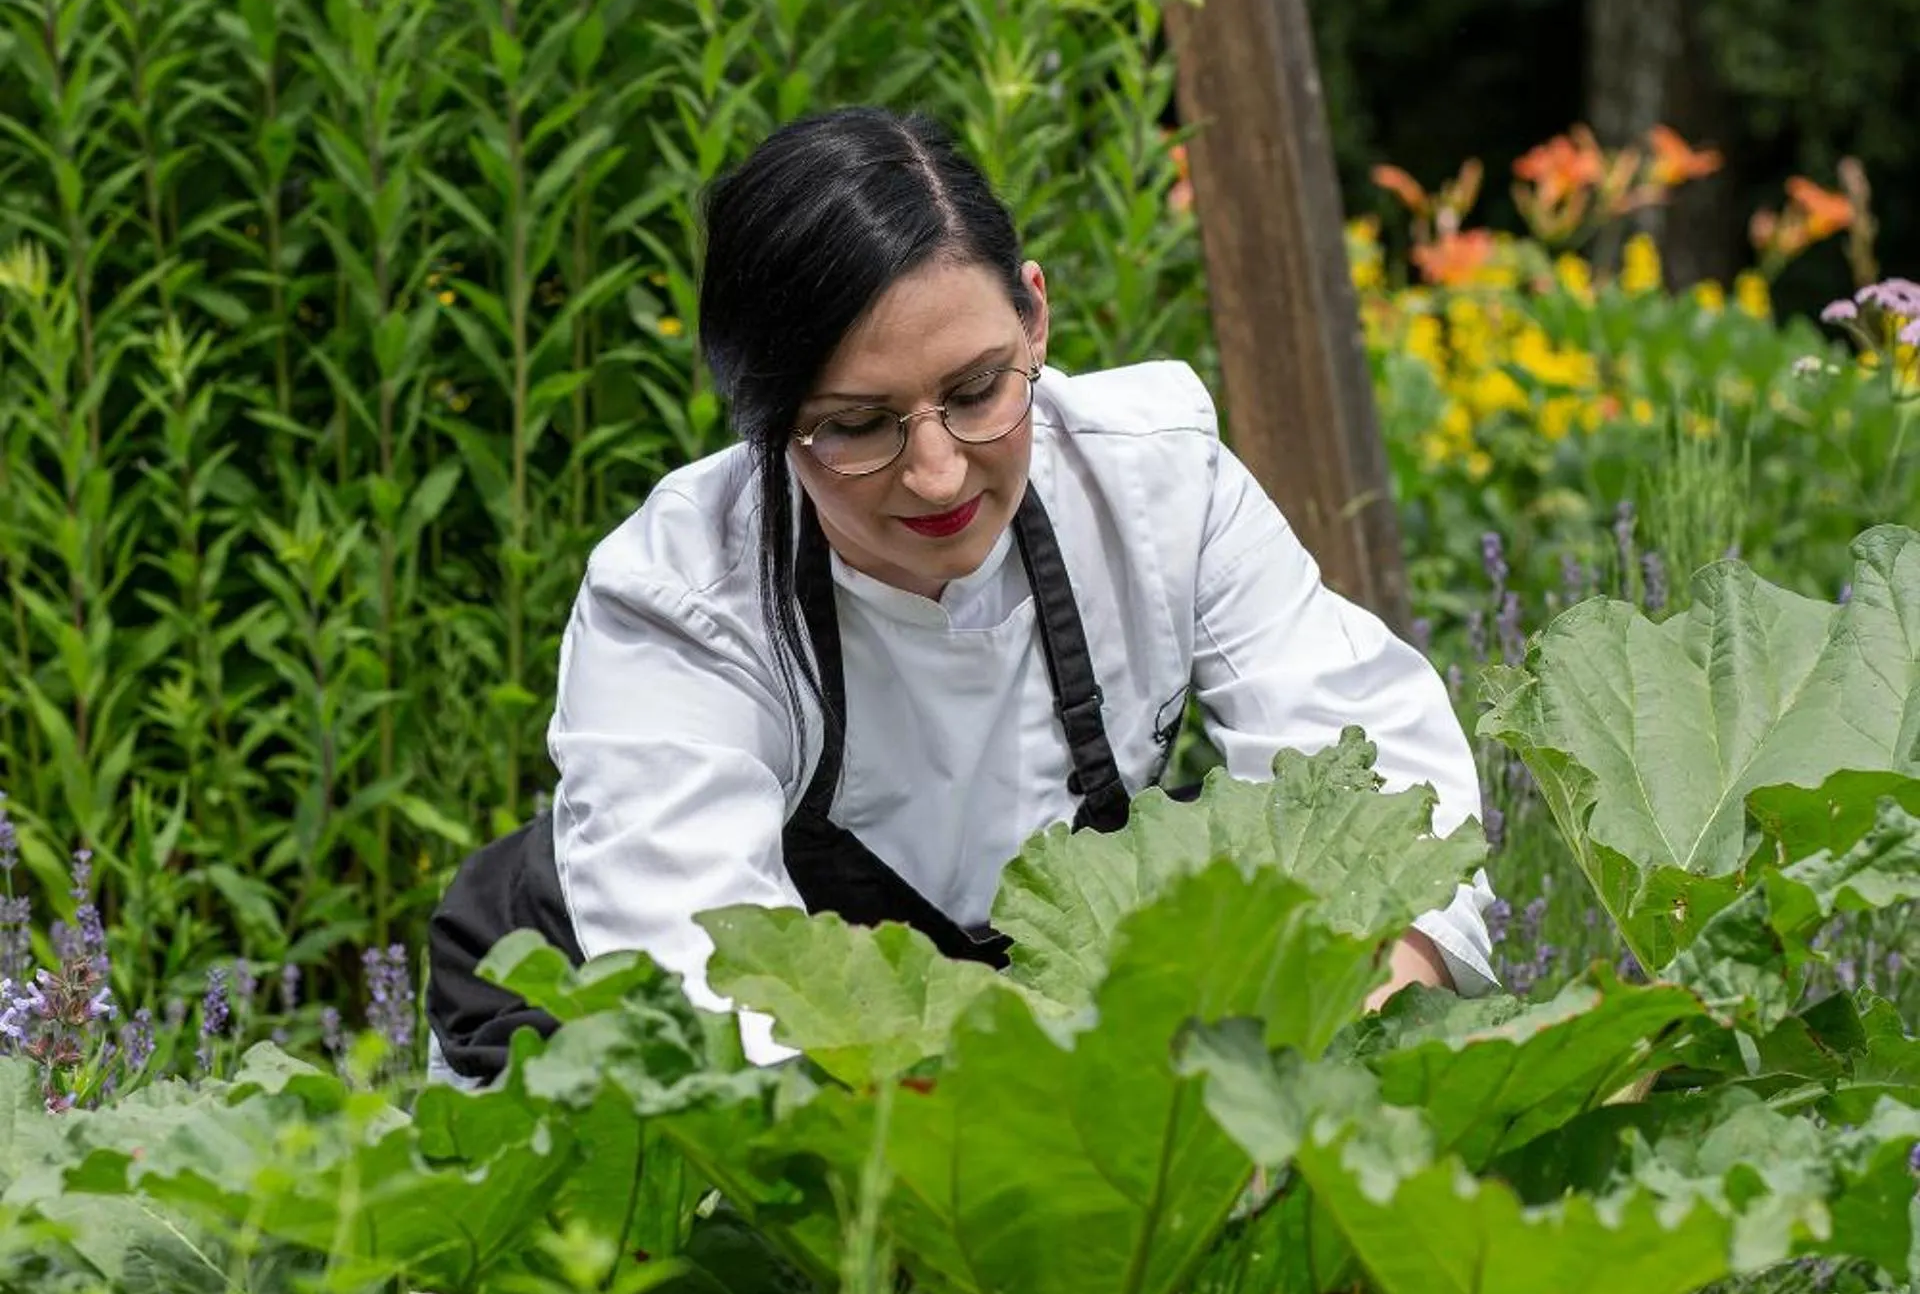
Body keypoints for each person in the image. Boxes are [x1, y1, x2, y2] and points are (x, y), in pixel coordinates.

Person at [427, 108, 1493, 1080]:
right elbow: (713, 1012)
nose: (938, 473)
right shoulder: (677, 599)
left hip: (1002, 1042)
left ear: (1034, 316)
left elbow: (1378, 791)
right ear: (762, 418)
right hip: (586, 1048)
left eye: (978, 390)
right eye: (855, 425)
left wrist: (1379, 990)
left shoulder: (1159, 476)